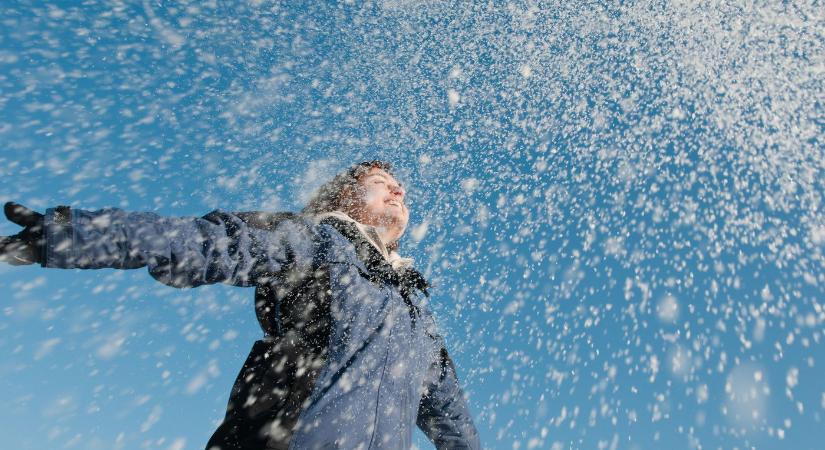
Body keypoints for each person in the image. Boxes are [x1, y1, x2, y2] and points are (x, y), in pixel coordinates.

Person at [0, 161, 480, 450]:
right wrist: (74, 234)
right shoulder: (315, 241)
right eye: (379, 181)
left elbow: (453, 420)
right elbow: (209, 243)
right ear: (344, 195)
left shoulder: (416, 312)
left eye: (400, 186)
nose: (397, 189)